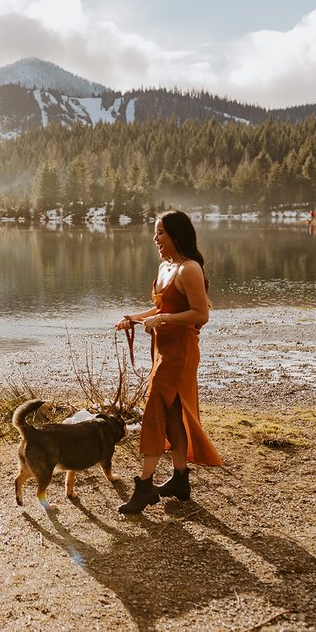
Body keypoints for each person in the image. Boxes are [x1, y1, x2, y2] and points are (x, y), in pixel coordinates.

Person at [114, 210, 222, 514]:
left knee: (154, 412)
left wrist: (163, 318)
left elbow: (201, 315)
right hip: (162, 350)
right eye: (155, 232)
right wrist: (134, 319)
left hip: (181, 353)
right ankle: (179, 478)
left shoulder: (189, 270)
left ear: (176, 235)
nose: (155, 239)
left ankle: (145, 485)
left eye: (160, 232)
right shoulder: (165, 268)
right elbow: (161, 307)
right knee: (173, 414)